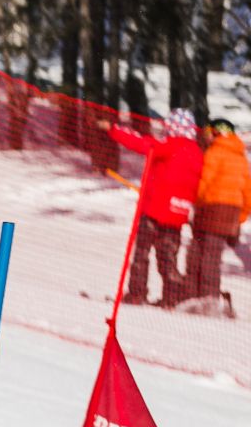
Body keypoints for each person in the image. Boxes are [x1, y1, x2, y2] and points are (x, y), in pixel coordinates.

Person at [106, 108, 203, 306]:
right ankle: (171, 297)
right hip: (178, 213)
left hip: (155, 209)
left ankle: (137, 293)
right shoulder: (198, 153)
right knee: (168, 257)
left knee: (142, 253)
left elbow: (141, 143)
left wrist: (114, 130)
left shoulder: (169, 145)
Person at [188, 117, 251, 316]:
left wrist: (196, 204)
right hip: (230, 212)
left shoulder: (214, 152)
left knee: (206, 256)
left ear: (216, 132)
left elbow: (205, 182)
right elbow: (248, 192)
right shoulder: (241, 156)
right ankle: (204, 296)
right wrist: (239, 217)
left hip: (212, 208)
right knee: (211, 255)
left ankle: (207, 299)